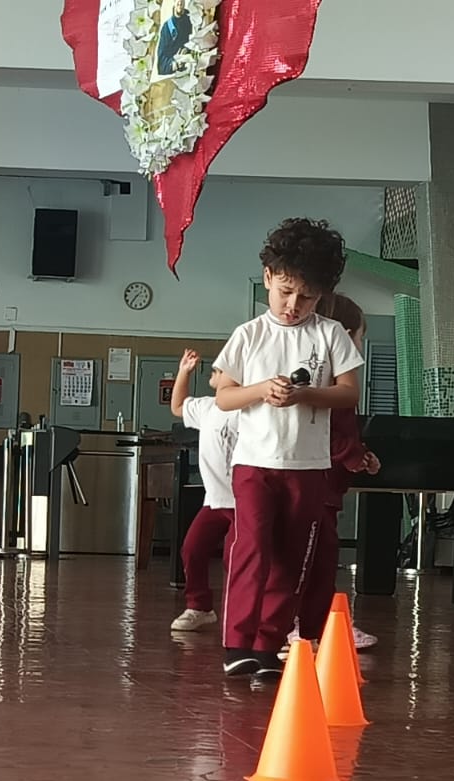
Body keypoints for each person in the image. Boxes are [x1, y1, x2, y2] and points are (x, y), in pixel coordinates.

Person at [213, 218, 364, 682]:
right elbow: (224, 397)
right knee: (252, 548)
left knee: (292, 556)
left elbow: (349, 393)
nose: (294, 305)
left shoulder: (331, 335)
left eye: (307, 297)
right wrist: (262, 389)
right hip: (254, 464)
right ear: (268, 278)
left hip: (309, 467)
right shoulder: (248, 334)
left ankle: (268, 645)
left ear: (322, 296)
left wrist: (305, 395)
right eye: (285, 292)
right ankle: (237, 643)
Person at [290, 292, 380, 653]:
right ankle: (305, 626)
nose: (360, 346)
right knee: (315, 559)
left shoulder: (323, 380)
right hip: (319, 483)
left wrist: (360, 454)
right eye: (359, 337)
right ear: (341, 335)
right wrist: (355, 457)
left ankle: (318, 624)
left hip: (321, 481)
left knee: (317, 558)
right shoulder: (334, 387)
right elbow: (331, 432)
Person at [167, 349, 240, 634]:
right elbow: (177, 406)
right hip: (215, 501)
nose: (214, 371)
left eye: (221, 369)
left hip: (244, 502)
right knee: (192, 548)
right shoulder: (207, 407)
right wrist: (183, 372)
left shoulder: (249, 410)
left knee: (235, 558)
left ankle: (240, 613)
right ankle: (199, 607)